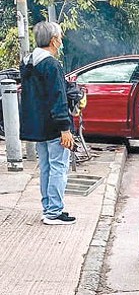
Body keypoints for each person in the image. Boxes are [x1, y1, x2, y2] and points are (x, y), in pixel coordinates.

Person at [20, 21, 76, 225]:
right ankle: (54, 212)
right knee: (59, 167)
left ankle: (48, 208)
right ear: (54, 40)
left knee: (45, 167)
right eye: (60, 37)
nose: (61, 40)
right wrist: (65, 128)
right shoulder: (51, 64)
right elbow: (58, 97)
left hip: (38, 126)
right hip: (54, 126)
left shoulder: (28, 62)